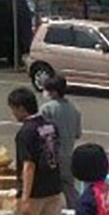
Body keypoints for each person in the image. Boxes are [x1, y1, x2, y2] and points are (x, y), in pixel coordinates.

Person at [6, 87, 74, 215]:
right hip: (53, 188)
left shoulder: (25, 132)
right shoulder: (50, 126)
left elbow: (29, 166)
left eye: (13, 109)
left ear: (21, 108)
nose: (13, 114)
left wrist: (25, 198)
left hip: (35, 193)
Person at [39, 76, 82, 206]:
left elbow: (43, 134)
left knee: (48, 188)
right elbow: (77, 134)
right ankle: (75, 210)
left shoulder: (47, 109)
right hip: (68, 154)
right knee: (68, 186)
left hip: (51, 156)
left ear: (54, 92)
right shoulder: (74, 109)